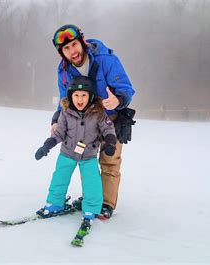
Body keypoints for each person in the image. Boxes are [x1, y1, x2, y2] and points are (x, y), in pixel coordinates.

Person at [50, 24, 136, 219]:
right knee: (85, 159)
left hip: (110, 120)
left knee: (110, 161)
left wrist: (118, 99)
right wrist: (56, 119)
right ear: (61, 52)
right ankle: (92, 197)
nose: (72, 51)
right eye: (66, 49)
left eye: (74, 45)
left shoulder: (106, 59)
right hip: (84, 123)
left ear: (82, 41)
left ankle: (106, 203)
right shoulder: (63, 71)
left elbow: (126, 88)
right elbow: (64, 98)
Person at [35, 76, 117, 229]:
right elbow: (59, 132)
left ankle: (91, 210)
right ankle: (55, 203)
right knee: (59, 178)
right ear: (71, 96)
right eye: (76, 95)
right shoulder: (66, 112)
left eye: (84, 95)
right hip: (67, 153)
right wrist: (47, 145)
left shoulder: (98, 113)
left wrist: (111, 141)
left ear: (90, 96)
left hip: (89, 155)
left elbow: (108, 128)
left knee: (92, 183)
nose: (80, 99)